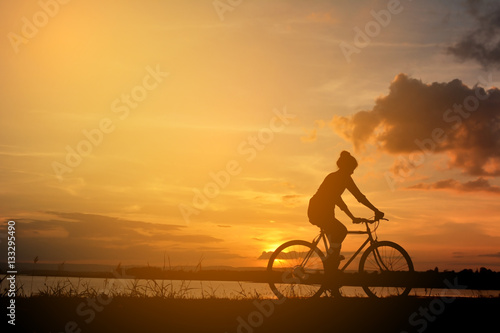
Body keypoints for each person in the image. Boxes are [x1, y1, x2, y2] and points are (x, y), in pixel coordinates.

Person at [308, 151, 384, 272]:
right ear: (345, 167)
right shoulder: (333, 178)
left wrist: (375, 210)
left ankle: (331, 278)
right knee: (341, 230)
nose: (353, 172)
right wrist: (352, 217)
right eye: (352, 169)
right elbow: (337, 200)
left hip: (327, 212)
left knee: (335, 247)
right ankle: (329, 261)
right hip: (318, 210)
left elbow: (359, 197)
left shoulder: (346, 179)